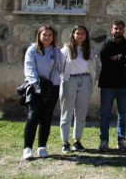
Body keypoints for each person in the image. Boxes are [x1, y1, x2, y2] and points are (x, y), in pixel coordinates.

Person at [22, 25, 63, 160]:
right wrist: (36, 84)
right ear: (39, 36)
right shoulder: (32, 50)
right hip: (35, 87)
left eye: (50, 35)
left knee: (46, 117)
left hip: (52, 87)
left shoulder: (57, 52)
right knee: (33, 116)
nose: (47, 37)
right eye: (44, 35)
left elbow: (60, 68)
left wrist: (52, 84)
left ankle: (42, 146)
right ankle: (27, 148)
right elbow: (30, 68)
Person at [98, 20, 126, 152]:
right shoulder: (105, 45)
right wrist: (122, 59)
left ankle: (122, 140)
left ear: (123, 30)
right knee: (105, 114)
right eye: (115, 28)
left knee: (123, 114)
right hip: (107, 85)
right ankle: (104, 140)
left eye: (120, 28)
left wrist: (118, 58)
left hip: (124, 85)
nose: (118, 31)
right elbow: (105, 61)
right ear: (111, 30)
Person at [59, 25, 98, 153]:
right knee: (67, 111)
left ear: (86, 36)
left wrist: (92, 81)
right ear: (73, 35)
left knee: (81, 112)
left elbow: (93, 67)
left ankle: (77, 140)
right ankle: (65, 142)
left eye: (83, 33)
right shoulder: (66, 50)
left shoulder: (89, 51)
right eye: (77, 33)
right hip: (70, 80)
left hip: (85, 79)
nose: (80, 36)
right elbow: (60, 67)